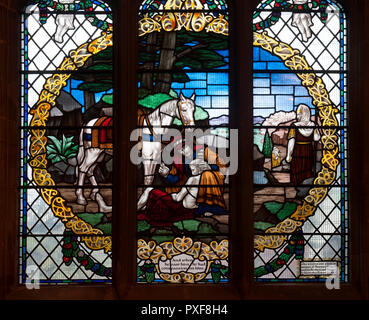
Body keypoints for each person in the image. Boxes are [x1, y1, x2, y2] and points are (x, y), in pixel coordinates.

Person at [137, 159, 227, 227]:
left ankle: (135, 210)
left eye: (193, 170)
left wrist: (172, 195)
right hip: (190, 210)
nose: (192, 172)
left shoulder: (193, 179)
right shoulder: (207, 180)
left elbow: (178, 198)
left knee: (149, 190)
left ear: (199, 169)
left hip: (178, 207)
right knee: (149, 204)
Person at [286, 104, 320, 185]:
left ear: (304, 114)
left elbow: (291, 142)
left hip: (298, 150)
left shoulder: (294, 126)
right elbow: (316, 138)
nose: (297, 116)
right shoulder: (313, 125)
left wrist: (288, 155)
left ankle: (298, 187)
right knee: (307, 167)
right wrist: (316, 128)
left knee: (298, 168)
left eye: (299, 114)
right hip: (308, 150)